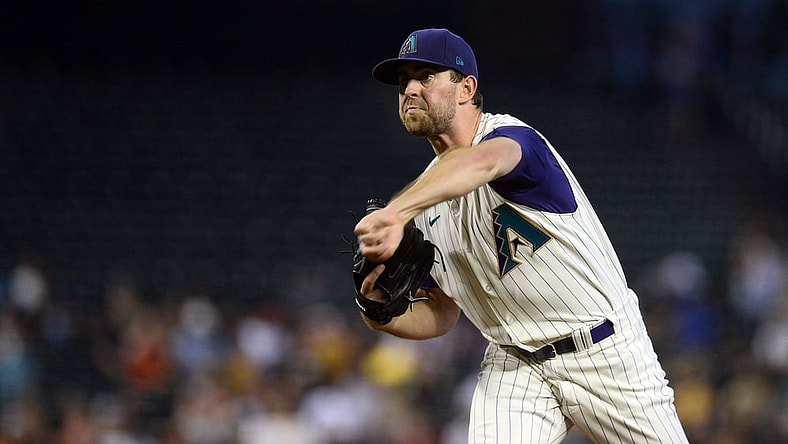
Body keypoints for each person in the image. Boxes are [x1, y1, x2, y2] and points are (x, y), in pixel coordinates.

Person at [353, 28, 689, 443]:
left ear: (466, 88)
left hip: (604, 350)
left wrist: (397, 211)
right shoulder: (424, 203)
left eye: (426, 76)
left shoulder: (514, 141)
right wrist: (380, 312)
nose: (410, 89)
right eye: (403, 82)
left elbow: (482, 164)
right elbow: (443, 311)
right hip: (515, 365)